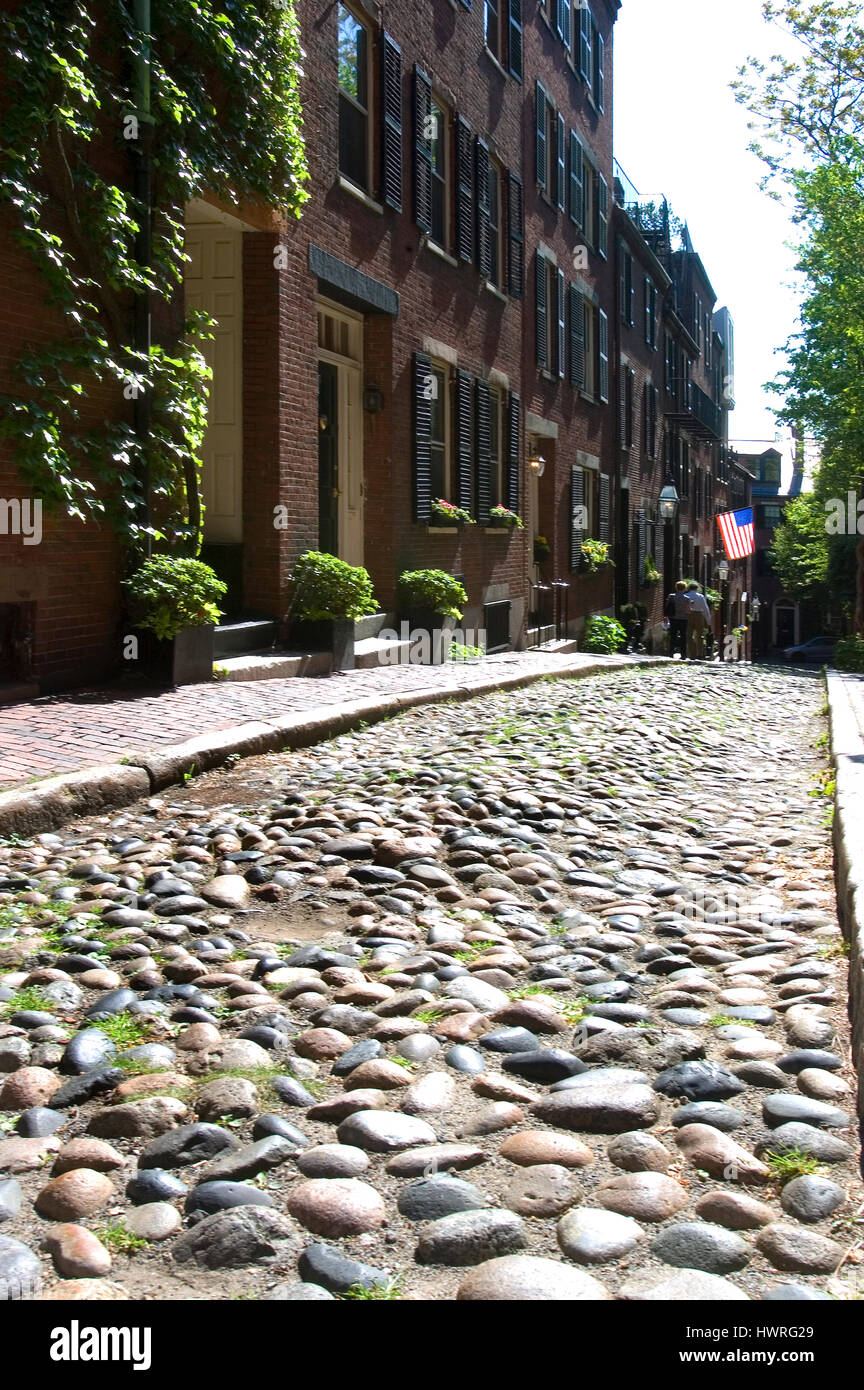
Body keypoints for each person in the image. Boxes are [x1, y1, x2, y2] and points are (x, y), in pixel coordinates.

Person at [664, 581, 690, 659]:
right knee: (683, 637)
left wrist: (666, 616)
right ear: (684, 588)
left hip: (673, 618)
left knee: (673, 636)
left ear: (676, 587)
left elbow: (667, 607)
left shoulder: (671, 596)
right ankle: (683, 655)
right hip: (683, 619)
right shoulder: (687, 598)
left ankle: (671, 653)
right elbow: (688, 610)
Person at [686, 581, 712, 659]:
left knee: (689, 635)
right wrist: (708, 621)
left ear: (689, 588)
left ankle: (691, 653)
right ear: (697, 588)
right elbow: (705, 608)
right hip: (699, 615)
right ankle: (699, 653)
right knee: (699, 635)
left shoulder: (686, 595)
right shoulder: (700, 596)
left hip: (689, 615)